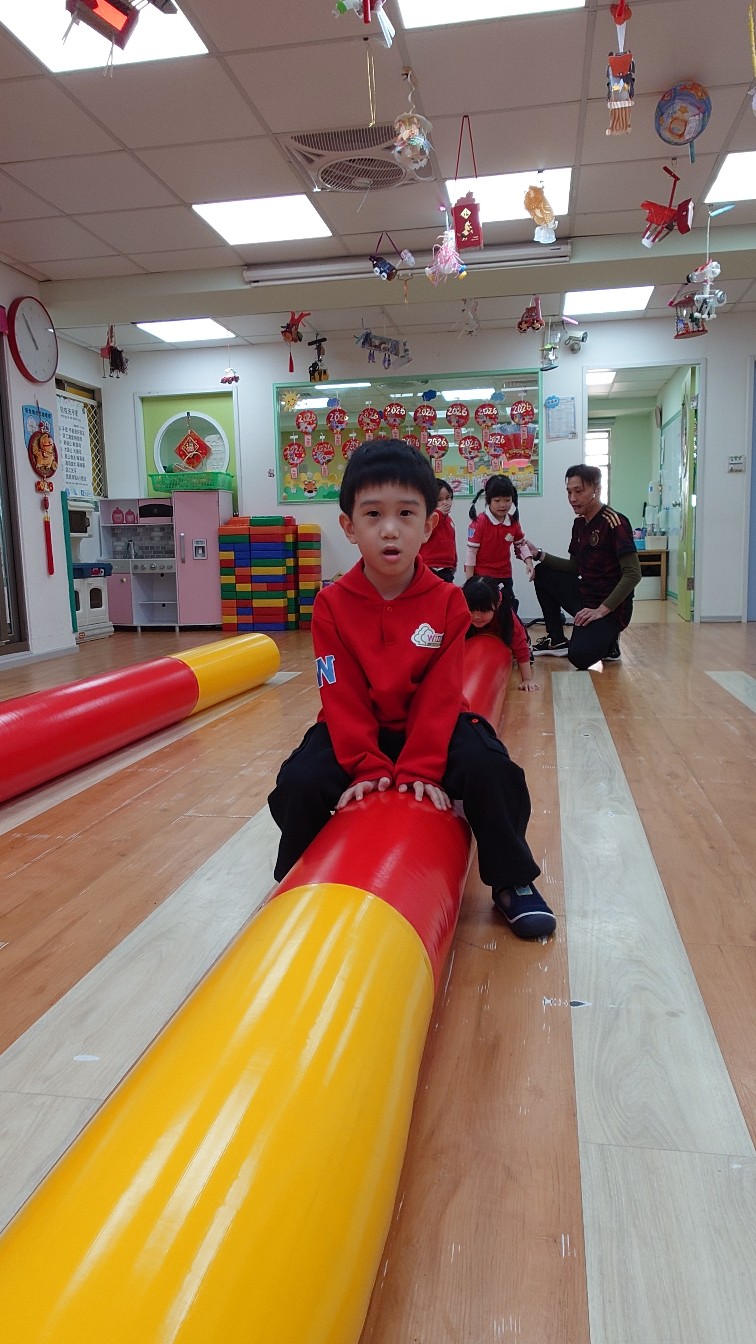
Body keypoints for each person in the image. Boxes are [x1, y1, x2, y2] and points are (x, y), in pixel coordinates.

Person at [268, 438, 556, 940]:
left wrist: (422, 766)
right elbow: (341, 694)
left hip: (436, 726)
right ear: (349, 527)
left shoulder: (447, 601)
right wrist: (367, 764)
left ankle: (513, 879)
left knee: (494, 771)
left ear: (428, 525)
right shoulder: (331, 605)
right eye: (372, 514)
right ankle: (299, 876)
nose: (389, 528)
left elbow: (441, 693)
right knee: (299, 782)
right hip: (357, 728)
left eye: (405, 514)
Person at [527, 464, 641, 669]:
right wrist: (539, 555)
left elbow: (633, 574)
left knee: (579, 657)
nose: (573, 498)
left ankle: (610, 640)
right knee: (542, 572)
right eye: (569, 492)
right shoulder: (579, 524)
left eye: (579, 491)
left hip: (609, 606)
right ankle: (556, 639)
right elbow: (575, 567)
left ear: (597, 489)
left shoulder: (615, 522)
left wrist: (601, 610)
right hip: (585, 596)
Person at [464, 473, 534, 610]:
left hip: (504, 575)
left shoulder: (513, 522)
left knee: (507, 609)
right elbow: (471, 554)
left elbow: (520, 544)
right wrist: (470, 581)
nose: (503, 505)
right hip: (482, 577)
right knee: (485, 611)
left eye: (507, 500)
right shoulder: (480, 523)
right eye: (497, 500)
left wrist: (529, 561)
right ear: (488, 500)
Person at [463, 576, 540, 693]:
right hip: (476, 636)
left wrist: (527, 679)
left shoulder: (507, 619)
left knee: (521, 648)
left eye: (484, 611)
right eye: (471, 610)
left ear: (497, 604)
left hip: (501, 636)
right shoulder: (461, 611)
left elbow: (521, 647)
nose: (476, 616)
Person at [418, 478, 457, 582]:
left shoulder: (449, 520)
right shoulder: (428, 518)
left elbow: (452, 542)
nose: (445, 503)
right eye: (439, 500)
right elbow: (427, 533)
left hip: (446, 567)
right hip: (429, 565)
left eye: (448, 498)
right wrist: (438, 513)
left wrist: (454, 562)